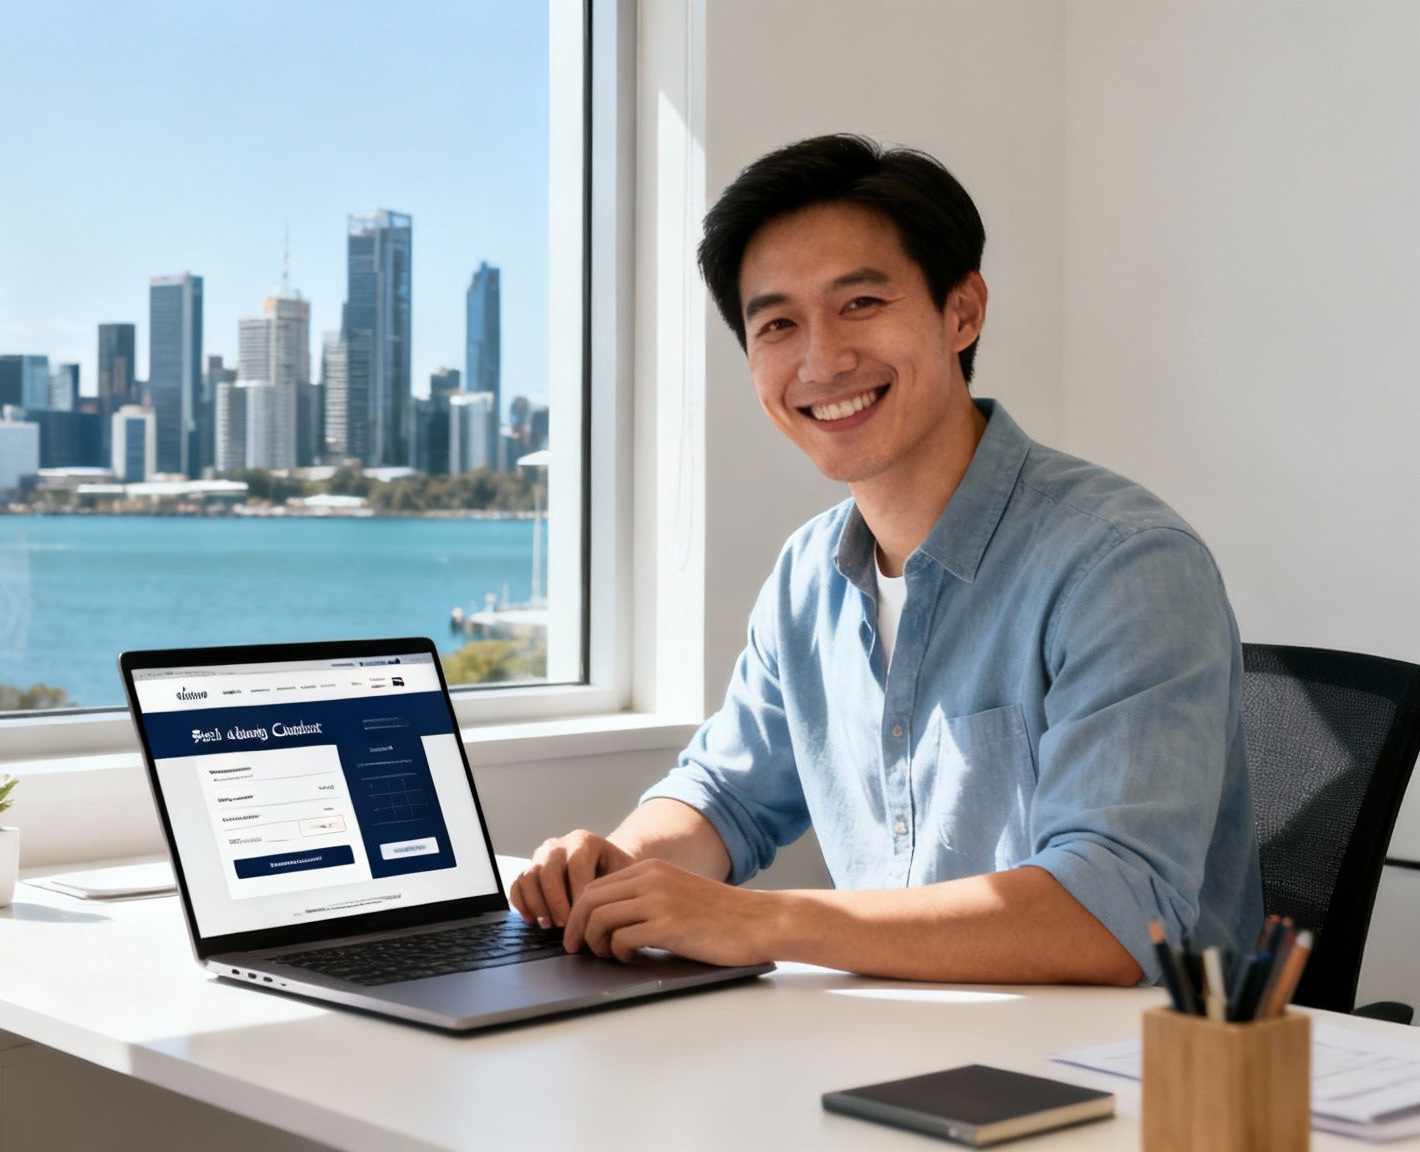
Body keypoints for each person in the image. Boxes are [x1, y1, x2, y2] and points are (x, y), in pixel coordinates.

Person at [509, 134, 1261, 985]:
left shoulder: (1123, 566)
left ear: (962, 312)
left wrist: (763, 921)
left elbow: (1110, 913)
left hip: (1134, 1080)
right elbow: (724, 797)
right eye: (779, 324)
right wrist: (620, 869)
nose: (822, 360)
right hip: (896, 1052)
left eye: (861, 304)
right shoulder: (808, 574)